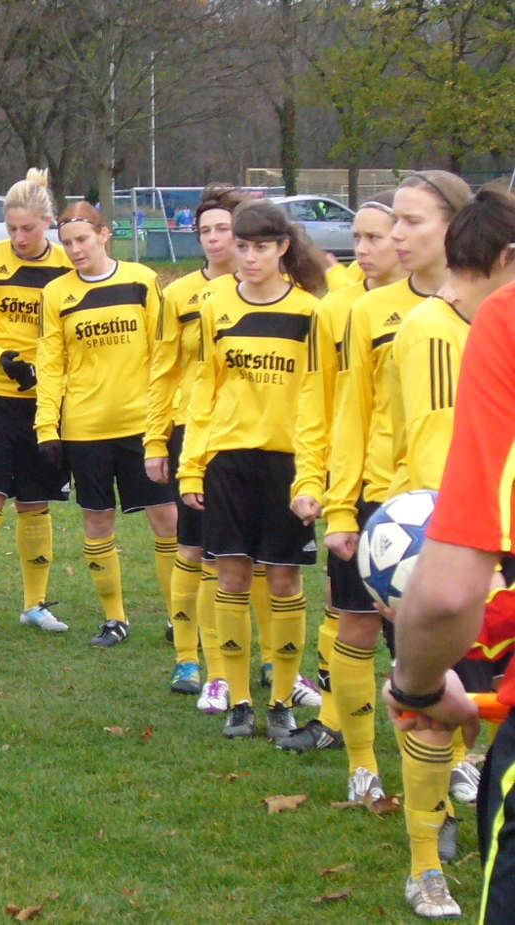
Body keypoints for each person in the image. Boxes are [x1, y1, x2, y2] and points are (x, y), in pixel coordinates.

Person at [287, 171, 472, 797]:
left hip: (464, 499)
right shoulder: (367, 312)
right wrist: (341, 507)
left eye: (411, 220)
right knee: (358, 626)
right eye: (393, 220)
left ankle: (450, 769)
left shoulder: (484, 306)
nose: (395, 234)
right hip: (384, 505)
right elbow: (350, 412)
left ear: (457, 226)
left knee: (445, 645)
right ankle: (362, 764)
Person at [384, 187, 515, 918]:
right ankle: (426, 856)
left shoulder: (496, 323)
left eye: (409, 222)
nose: (396, 236)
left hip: (463, 547)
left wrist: (414, 677)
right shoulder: (423, 325)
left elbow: (444, 592)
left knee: (431, 700)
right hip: (433, 525)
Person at [145, 185, 321, 712]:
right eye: (241, 247)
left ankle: (284, 693)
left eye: (259, 247)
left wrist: (313, 473)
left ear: (282, 248)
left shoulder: (313, 312)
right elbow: (203, 392)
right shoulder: (214, 306)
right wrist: (191, 466)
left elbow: (318, 400)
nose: (247, 256)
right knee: (230, 573)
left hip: (286, 462)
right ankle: (234, 693)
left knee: (283, 576)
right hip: (225, 461)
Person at [279, 190, 404, 751]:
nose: (364, 249)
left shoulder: (449, 307)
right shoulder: (339, 309)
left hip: (422, 488)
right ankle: (336, 722)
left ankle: (451, 754)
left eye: (375, 238)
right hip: (354, 483)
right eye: (358, 237)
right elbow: (319, 403)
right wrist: (315, 479)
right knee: (343, 610)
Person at [34, 201, 177, 646]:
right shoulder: (56, 294)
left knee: (167, 519)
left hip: (141, 426)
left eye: (82, 239)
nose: (75, 250)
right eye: (67, 243)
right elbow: (50, 364)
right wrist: (47, 428)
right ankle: (115, 618)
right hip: (84, 429)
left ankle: (181, 618)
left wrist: (163, 419)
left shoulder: (142, 281)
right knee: (97, 521)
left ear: (104, 235)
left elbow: (163, 356)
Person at [0, 168, 72, 635]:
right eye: (12, 229)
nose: (19, 237)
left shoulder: (66, 265)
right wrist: (3, 357)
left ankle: (35, 604)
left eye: (28, 228)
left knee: (36, 502)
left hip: (44, 402)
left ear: (48, 222)